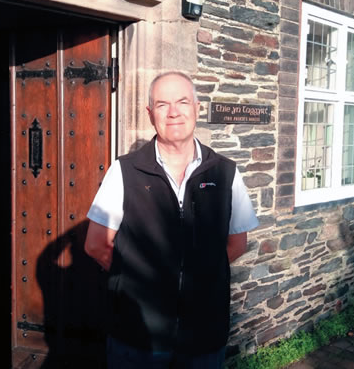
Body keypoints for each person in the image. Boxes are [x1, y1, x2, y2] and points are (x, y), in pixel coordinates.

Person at [84, 71, 259, 369]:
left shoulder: (226, 172)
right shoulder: (124, 171)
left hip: (203, 332)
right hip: (137, 335)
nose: (174, 112)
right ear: (151, 114)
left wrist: (194, 278)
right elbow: (97, 245)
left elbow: (237, 242)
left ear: (197, 108)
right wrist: (139, 283)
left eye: (182, 102)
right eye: (163, 104)